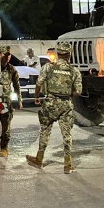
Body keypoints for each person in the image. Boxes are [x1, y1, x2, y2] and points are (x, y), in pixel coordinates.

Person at [26, 41, 82, 174]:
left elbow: (39, 83)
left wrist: (37, 97)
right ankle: (67, 165)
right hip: (66, 105)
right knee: (67, 134)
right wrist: (68, 94)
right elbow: (78, 92)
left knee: (45, 130)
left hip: (50, 103)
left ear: (58, 54)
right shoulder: (74, 71)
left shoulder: (48, 67)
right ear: (70, 54)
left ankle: (39, 159)